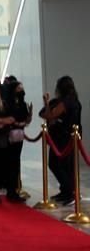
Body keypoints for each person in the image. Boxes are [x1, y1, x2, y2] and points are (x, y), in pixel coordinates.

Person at [40, 76, 82, 206]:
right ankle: (66, 191)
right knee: (66, 166)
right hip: (70, 136)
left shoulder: (65, 102)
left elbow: (50, 115)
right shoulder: (75, 101)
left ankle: (69, 191)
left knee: (55, 163)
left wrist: (47, 104)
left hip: (63, 137)